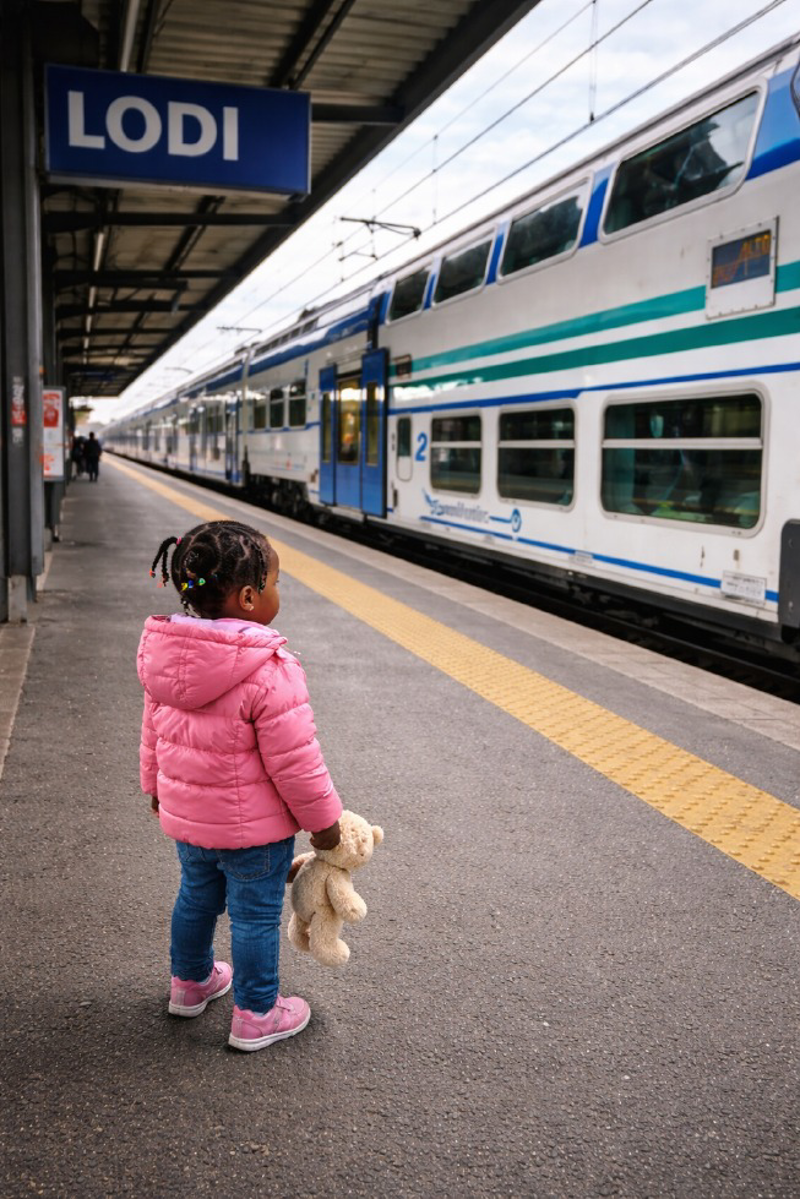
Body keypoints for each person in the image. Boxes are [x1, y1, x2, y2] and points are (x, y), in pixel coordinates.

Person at [138, 519, 342, 1052]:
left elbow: (152, 735)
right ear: (251, 597)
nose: (279, 593)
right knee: (254, 916)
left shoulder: (165, 654)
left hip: (190, 822)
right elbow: (296, 762)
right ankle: (257, 1013)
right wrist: (324, 826)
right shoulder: (269, 666)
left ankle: (189, 984)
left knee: (195, 899)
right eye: (275, 583)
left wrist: (155, 788)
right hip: (255, 832)